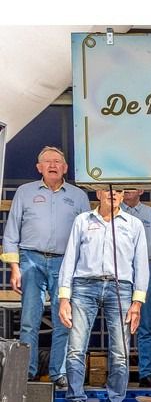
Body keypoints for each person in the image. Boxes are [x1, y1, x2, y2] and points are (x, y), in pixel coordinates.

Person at [1, 146, 91, 388]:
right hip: (31, 259)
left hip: (65, 262)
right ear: (38, 167)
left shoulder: (79, 196)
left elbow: (88, 236)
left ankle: (58, 373)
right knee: (29, 319)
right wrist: (15, 268)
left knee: (64, 320)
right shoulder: (24, 192)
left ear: (65, 168)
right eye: (47, 161)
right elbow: (11, 232)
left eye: (57, 161)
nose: (52, 165)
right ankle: (27, 372)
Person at [59, 187, 149, 402]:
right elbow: (70, 258)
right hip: (84, 285)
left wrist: (137, 301)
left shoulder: (134, 224)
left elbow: (141, 264)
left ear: (123, 195)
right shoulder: (82, 220)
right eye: (108, 189)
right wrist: (64, 297)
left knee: (120, 351)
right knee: (76, 348)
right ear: (98, 193)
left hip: (120, 287)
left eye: (119, 190)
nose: (113, 193)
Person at [121, 187, 151, 388]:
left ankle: (145, 373)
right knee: (120, 323)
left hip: (147, 267)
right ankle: (120, 372)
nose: (127, 190)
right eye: (124, 186)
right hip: (121, 268)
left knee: (146, 323)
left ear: (141, 190)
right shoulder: (114, 213)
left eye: (133, 186)